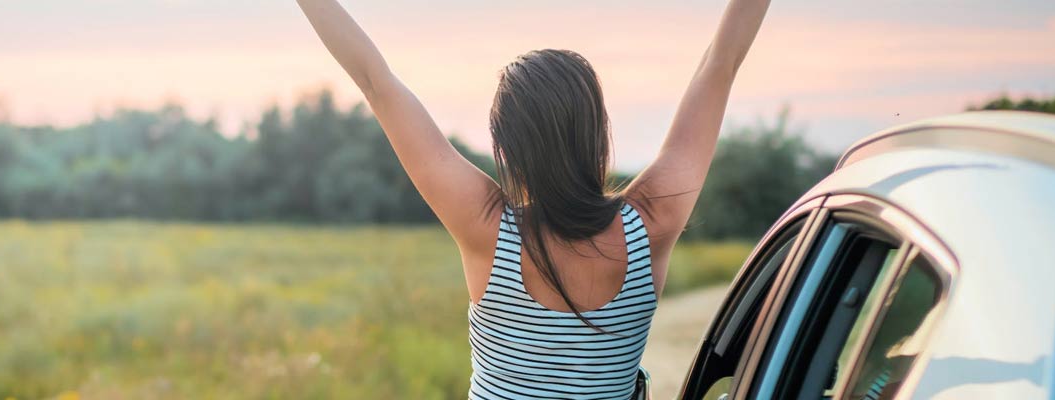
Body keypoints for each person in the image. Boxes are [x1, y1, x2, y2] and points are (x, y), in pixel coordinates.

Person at [295, 0, 770, 397]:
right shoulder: (651, 222)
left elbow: (375, 82)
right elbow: (720, 65)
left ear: (507, 148)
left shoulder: (486, 227)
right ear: (597, 133)